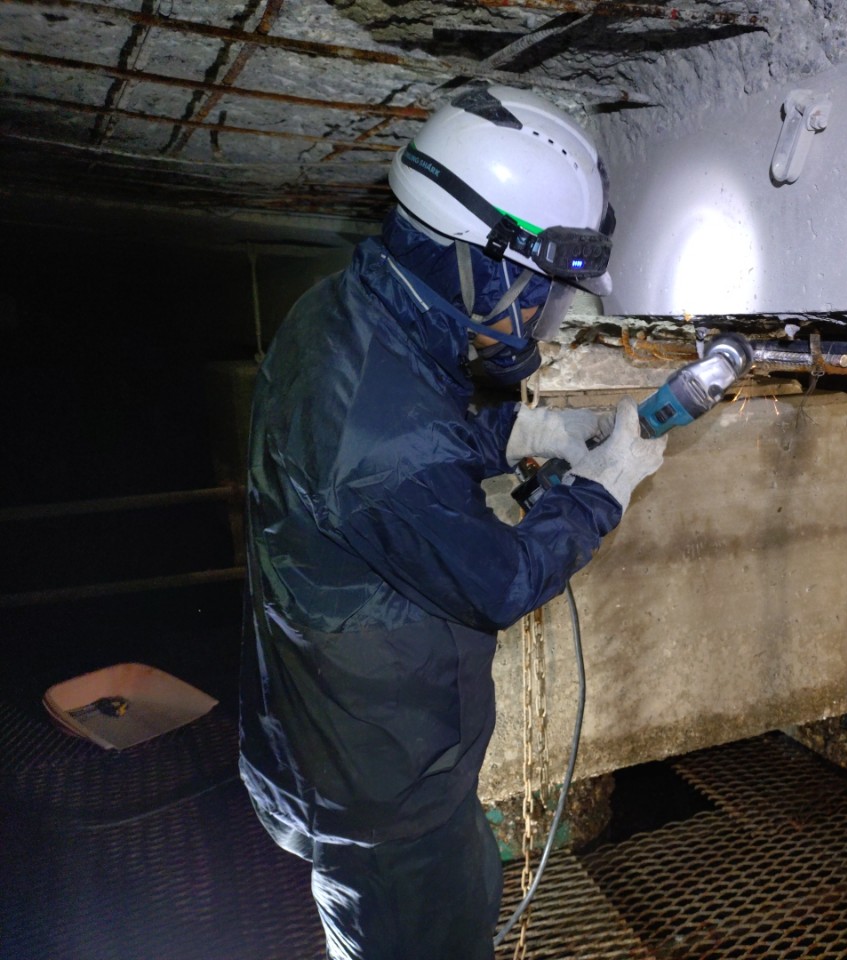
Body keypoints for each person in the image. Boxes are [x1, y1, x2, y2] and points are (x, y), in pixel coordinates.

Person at [239, 83, 666, 960]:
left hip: (333, 740)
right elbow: (497, 580)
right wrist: (604, 489)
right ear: (483, 263)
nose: (545, 315)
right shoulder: (382, 440)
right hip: (388, 798)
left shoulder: (344, 313)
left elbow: (406, 442)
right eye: (542, 292)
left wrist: (513, 433)